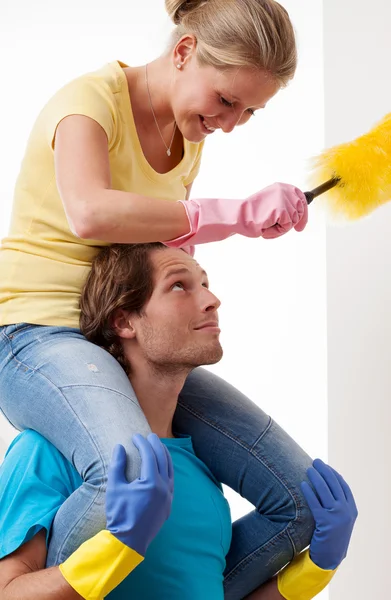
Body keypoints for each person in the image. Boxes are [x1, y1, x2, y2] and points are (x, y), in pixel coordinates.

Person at [0, 1, 313, 598]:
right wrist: (233, 215)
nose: (232, 121)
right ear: (184, 51)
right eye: (226, 100)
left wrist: (252, 223)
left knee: (301, 498)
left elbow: (154, 247)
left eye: (250, 111)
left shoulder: (189, 137)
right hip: (35, 333)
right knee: (131, 474)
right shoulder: (88, 104)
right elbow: (90, 212)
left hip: (122, 337)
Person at [0, 243, 358, 600]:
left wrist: (315, 569)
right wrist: (117, 546)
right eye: (178, 286)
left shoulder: (201, 464)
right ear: (124, 321)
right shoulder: (47, 452)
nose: (211, 299)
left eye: (204, 283)